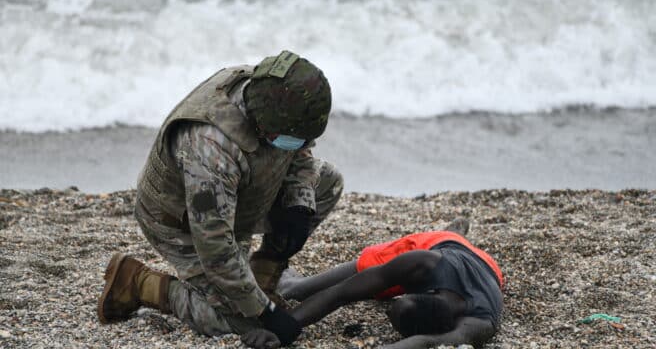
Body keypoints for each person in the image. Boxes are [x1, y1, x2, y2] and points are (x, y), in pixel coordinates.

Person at [97, 50, 343, 346]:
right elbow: (215, 248)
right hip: (181, 221)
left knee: (326, 183)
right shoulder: (211, 146)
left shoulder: (276, 98)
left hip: (241, 195)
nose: (300, 143)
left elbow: (300, 150)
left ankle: (263, 276)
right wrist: (263, 312)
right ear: (264, 125)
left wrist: (298, 205)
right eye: (290, 136)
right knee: (236, 322)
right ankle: (139, 283)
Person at [241, 219, 503, 349]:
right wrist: (284, 327)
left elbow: (430, 341)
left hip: (490, 269)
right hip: (441, 244)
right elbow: (342, 292)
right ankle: (294, 285)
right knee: (370, 266)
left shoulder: (481, 320)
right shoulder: (425, 262)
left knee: (381, 284)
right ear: (426, 291)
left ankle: (459, 232)